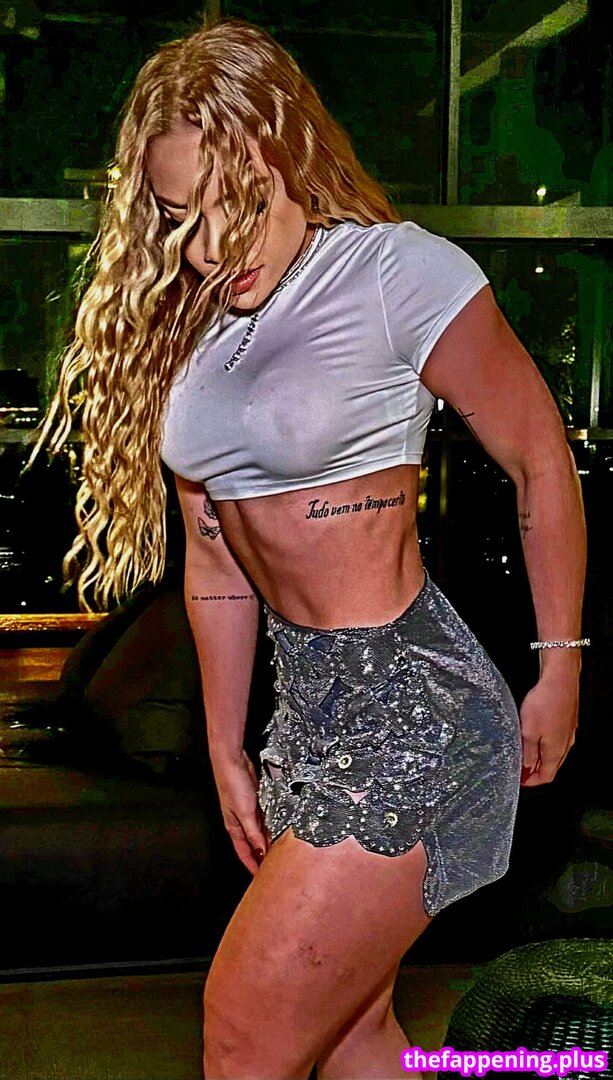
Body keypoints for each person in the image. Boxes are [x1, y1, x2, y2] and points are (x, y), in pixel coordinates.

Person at [28, 15, 588, 1080]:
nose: (203, 248)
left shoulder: (394, 272)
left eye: (227, 207)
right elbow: (215, 562)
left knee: (245, 1034)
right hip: (306, 720)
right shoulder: (201, 322)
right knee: (353, 1042)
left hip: (413, 710)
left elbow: (538, 461)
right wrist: (224, 744)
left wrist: (559, 664)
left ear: (282, 152)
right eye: (180, 218)